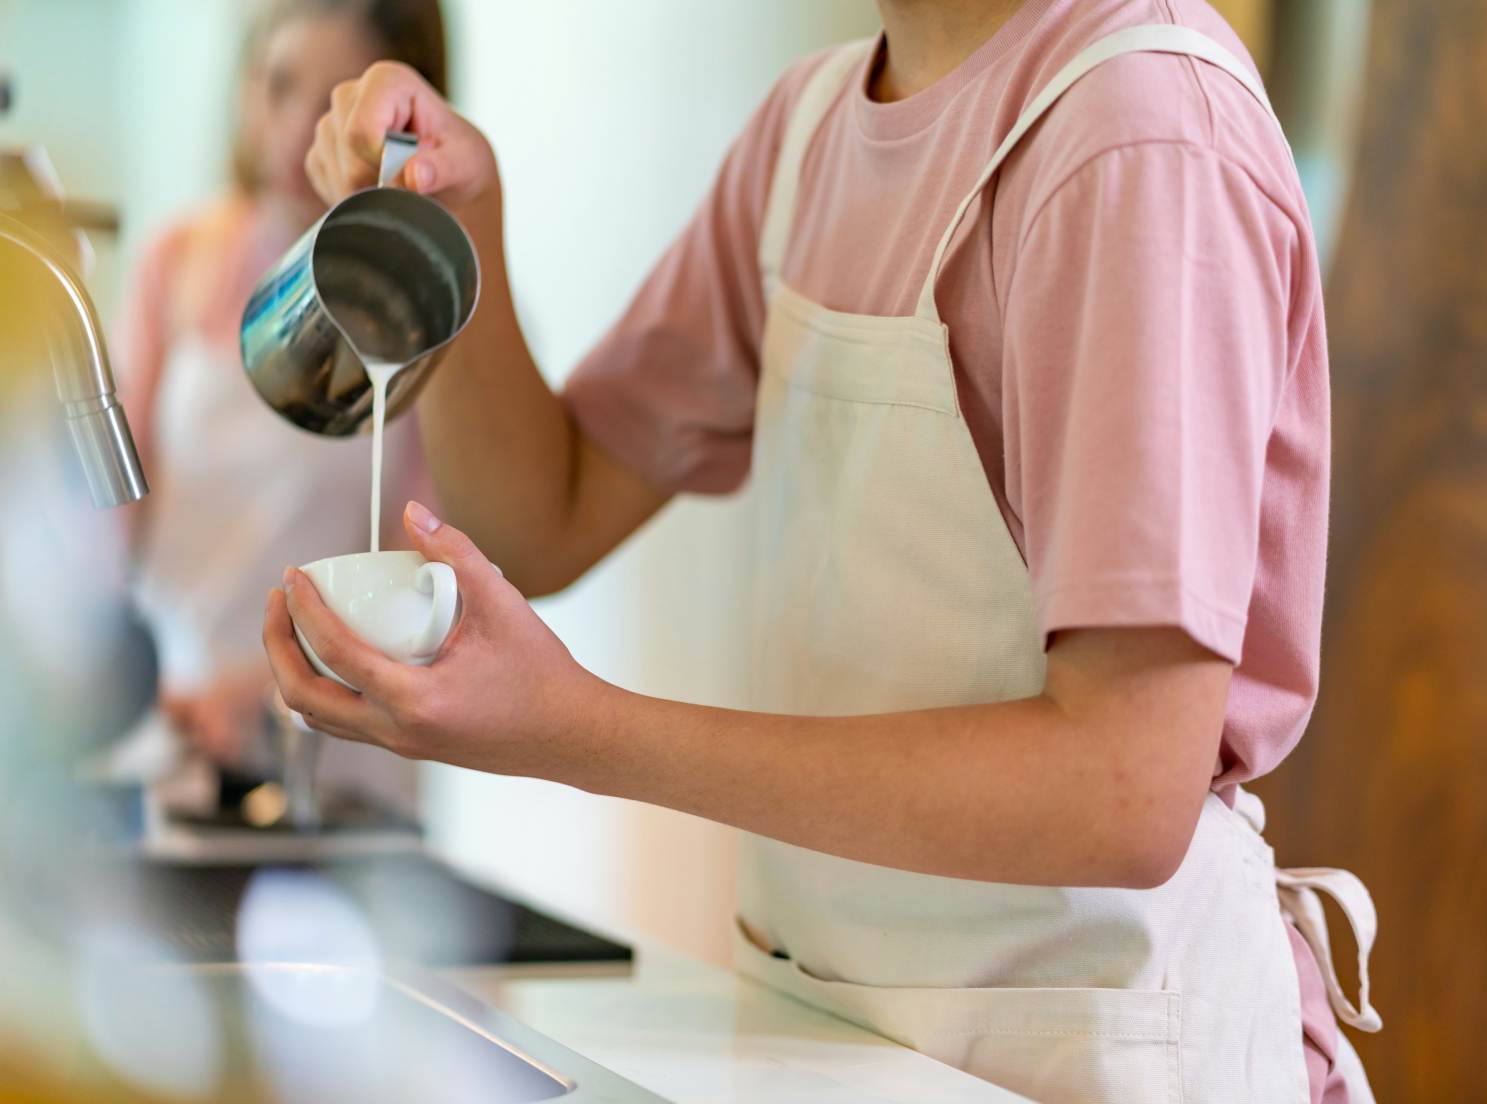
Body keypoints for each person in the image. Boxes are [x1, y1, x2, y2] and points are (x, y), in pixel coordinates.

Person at [268, 0, 1382, 1099]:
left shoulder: (1137, 139)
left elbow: (1122, 788)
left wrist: (577, 728)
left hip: (1100, 1055)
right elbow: (537, 517)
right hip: (841, 1035)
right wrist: (464, 218)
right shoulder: (807, 136)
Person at [117, 0, 444, 811]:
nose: (300, 131)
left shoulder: (424, 305)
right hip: (175, 735)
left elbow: (433, 582)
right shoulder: (178, 260)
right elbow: (113, 513)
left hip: (341, 765)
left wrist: (272, 684)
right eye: (279, 86)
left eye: (336, 100)